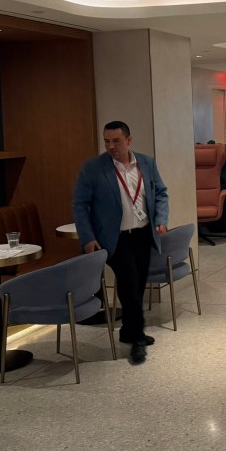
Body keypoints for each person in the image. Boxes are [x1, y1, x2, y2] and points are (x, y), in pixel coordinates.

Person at [72, 121, 169, 365]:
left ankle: (127, 330)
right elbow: (80, 205)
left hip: (143, 234)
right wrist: (88, 237)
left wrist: (161, 219)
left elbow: (160, 193)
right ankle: (137, 339)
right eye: (106, 141)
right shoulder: (93, 168)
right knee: (129, 284)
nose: (111, 146)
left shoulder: (146, 163)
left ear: (129, 140)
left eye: (116, 141)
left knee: (137, 284)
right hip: (115, 239)